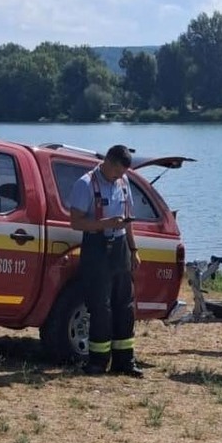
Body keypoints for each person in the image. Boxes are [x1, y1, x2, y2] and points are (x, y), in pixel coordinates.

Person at [68, 145, 142, 376]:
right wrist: (106, 224)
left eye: (123, 173)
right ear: (108, 162)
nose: (120, 176)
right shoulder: (86, 184)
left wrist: (133, 249)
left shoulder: (123, 182)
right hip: (96, 247)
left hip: (120, 247)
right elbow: (76, 222)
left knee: (125, 305)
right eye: (117, 171)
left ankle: (124, 361)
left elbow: (128, 220)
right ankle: (98, 361)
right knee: (100, 306)